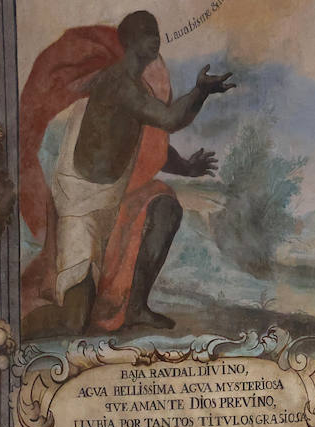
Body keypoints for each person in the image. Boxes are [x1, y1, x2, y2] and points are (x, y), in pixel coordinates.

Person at [19, 10, 234, 337]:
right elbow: (170, 119)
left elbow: (151, 145)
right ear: (130, 41)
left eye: (157, 31)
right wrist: (201, 92)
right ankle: (14, 330)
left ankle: (136, 308)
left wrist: (186, 167)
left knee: (165, 206)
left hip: (115, 198)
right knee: (75, 320)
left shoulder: (138, 90)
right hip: (81, 206)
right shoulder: (117, 83)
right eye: (148, 31)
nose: (156, 38)